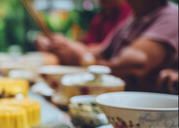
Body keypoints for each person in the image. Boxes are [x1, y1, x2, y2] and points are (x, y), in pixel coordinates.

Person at [38, 0, 178, 92]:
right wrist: (64, 46)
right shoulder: (131, 22)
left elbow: (134, 64)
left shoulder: (171, 17)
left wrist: (84, 59)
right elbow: (99, 51)